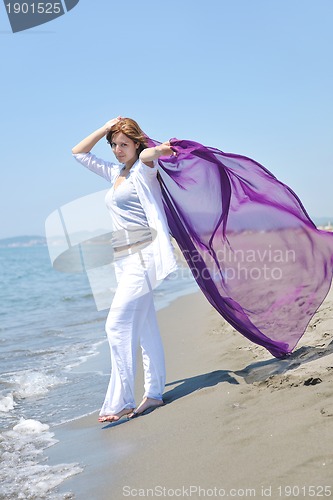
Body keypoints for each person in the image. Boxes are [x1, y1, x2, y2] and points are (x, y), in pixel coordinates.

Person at [72, 117, 178, 422]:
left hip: (144, 256)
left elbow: (147, 157)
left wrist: (156, 151)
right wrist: (105, 129)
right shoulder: (115, 173)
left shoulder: (143, 172)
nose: (118, 150)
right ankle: (154, 393)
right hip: (124, 260)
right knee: (145, 328)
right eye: (114, 145)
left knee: (115, 325)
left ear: (136, 143)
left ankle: (121, 401)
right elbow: (79, 153)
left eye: (124, 144)